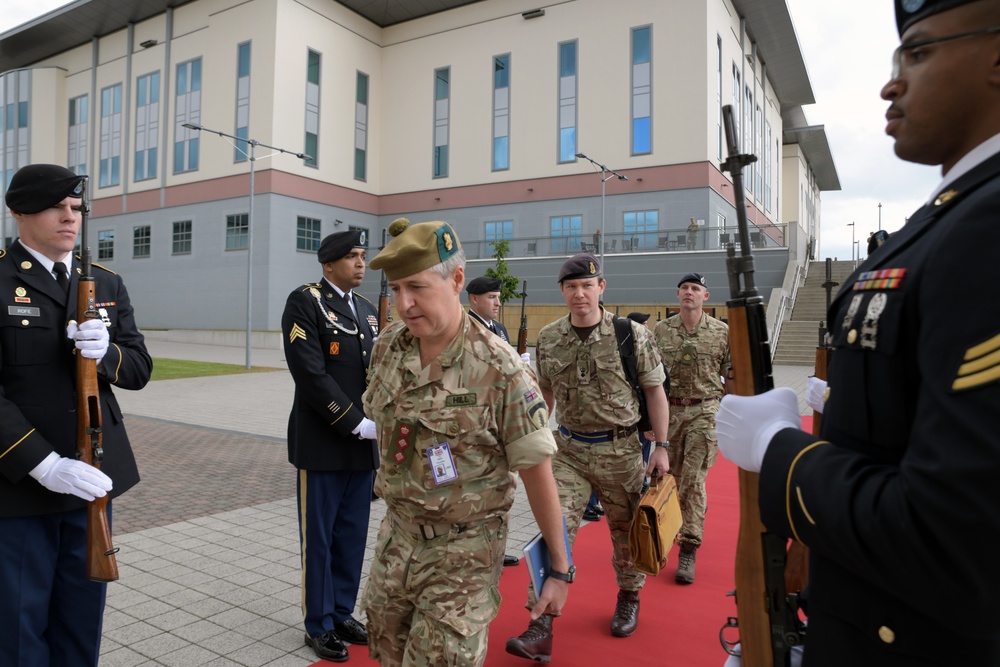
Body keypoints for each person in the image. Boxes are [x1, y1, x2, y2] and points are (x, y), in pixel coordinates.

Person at [716, 1, 1000, 663]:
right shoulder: (951, 220)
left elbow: (953, 542)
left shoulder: (985, 230)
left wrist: (779, 448)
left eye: (920, 52)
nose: (891, 83)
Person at [362, 218, 570, 667]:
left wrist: (559, 568)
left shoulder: (500, 368)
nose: (404, 303)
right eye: (395, 289)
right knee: (385, 650)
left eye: (416, 287)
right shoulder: (389, 347)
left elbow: (537, 471)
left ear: (456, 280)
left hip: (464, 552)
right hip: (395, 540)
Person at [0, 163, 152, 666]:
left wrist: (107, 353)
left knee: (81, 620)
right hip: (20, 484)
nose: (72, 218)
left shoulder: (104, 281)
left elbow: (138, 369)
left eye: (77, 208)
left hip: (91, 476)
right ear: (20, 212)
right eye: (58, 207)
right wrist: (44, 464)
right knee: (20, 627)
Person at [506, 253, 670, 662]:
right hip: (568, 452)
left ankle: (629, 595)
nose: (579, 294)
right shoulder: (549, 337)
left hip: (623, 451)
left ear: (602, 287)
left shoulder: (631, 335)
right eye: (571, 287)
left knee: (627, 532)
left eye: (587, 286)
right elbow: (543, 394)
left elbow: (654, 391)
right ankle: (540, 622)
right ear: (562, 292)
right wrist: (533, 437)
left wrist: (662, 447)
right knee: (553, 530)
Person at [281, 229, 379, 662]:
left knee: (352, 535)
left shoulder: (369, 311)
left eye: (362, 255)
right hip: (325, 439)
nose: (361, 263)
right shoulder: (306, 301)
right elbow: (309, 372)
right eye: (353, 256)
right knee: (319, 538)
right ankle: (317, 623)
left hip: (364, 445)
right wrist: (354, 421)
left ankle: (342, 611)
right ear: (328, 264)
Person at [651, 272, 729, 584]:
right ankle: (666, 529)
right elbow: (651, 377)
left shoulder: (722, 332)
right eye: (684, 288)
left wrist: (734, 412)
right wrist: (649, 422)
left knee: (694, 479)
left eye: (695, 289)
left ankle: (688, 546)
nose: (689, 293)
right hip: (669, 410)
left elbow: (731, 373)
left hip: (705, 409)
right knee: (669, 477)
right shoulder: (661, 329)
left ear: (705, 297)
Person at [466, 275, 531, 365]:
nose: (498, 303)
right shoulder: (465, 329)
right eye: (492, 297)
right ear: (475, 299)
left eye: (498, 297)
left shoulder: (500, 328)